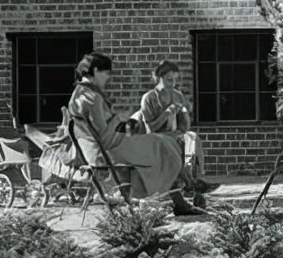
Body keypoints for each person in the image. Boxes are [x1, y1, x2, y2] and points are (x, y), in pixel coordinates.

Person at [62, 52, 204, 215]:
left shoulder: (79, 93)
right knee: (163, 144)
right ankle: (183, 195)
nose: (108, 78)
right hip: (108, 149)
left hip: (97, 148)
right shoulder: (92, 97)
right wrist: (119, 118)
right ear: (95, 71)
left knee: (162, 143)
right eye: (106, 73)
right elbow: (104, 134)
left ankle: (182, 196)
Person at [137, 60, 209, 208]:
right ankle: (190, 185)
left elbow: (184, 123)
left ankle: (197, 183)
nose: (173, 83)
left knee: (193, 138)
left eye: (175, 79)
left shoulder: (177, 96)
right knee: (168, 144)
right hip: (155, 137)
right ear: (159, 78)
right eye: (169, 79)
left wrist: (182, 121)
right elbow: (150, 128)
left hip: (174, 134)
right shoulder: (149, 98)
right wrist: (165, 114)